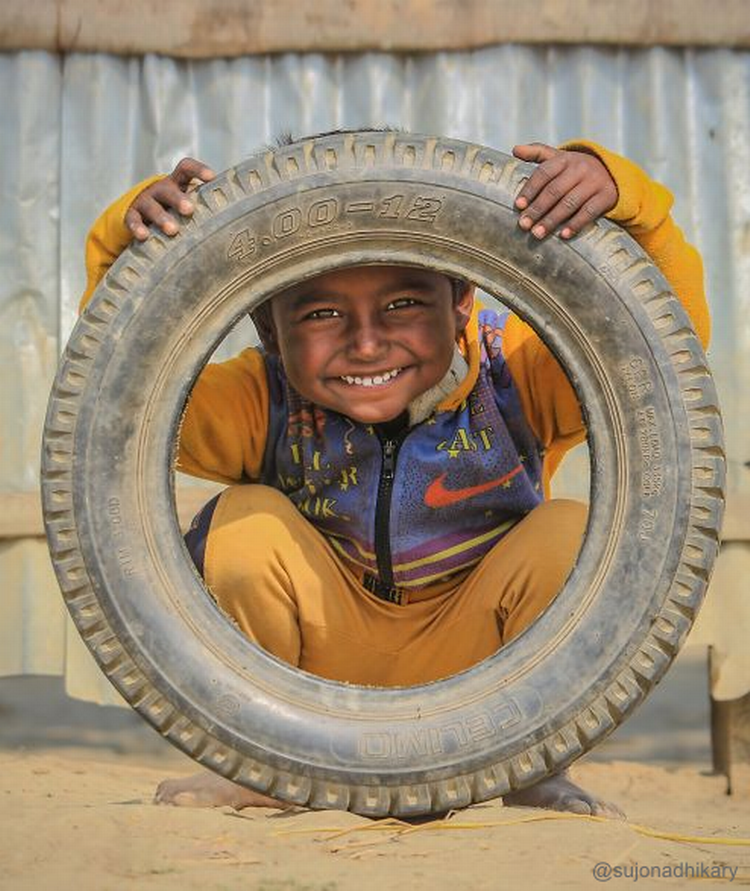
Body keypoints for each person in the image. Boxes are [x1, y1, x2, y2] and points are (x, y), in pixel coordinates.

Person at [80, 134, 710, 817]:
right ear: (266, 322)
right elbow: (125, 384)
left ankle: (537, 769)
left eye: (404, 304)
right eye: (320, 314)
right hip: (306, 681)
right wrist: (131, 243)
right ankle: (257, 767)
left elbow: (660, 346)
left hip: (484, 676)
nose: (367, 342)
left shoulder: (516, 375)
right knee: (245, 519)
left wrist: (629, 201)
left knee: (566, 532)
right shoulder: (258, 401)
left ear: (462, 295)